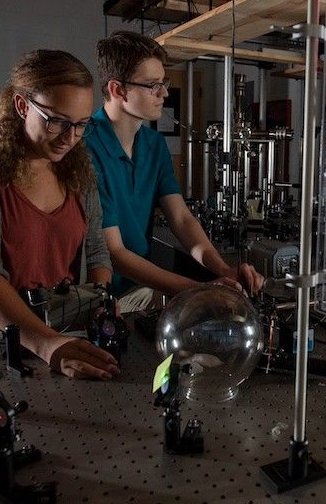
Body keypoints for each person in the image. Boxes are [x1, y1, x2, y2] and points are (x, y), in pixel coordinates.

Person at [0, 49, 120, 380]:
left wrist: (100, 304)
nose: (70, 138)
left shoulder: (79, 171)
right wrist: (46, 343)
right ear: (22, 106)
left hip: (65, 345)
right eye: (57, 122)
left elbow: (96, 252)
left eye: (81, 125)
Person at [83, 31, 264, 312]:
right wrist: (200, 289)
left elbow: (181, 219)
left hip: (138, 289)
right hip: (96, 296)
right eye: (152, 85)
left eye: (163, 82)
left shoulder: (153, 145)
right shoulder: (86, 146)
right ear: (118, 90)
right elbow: (113, 252)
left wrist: (225, 270)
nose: (164, 93)